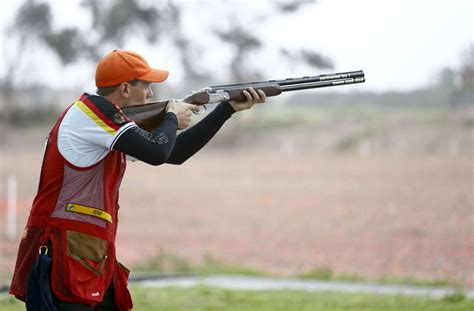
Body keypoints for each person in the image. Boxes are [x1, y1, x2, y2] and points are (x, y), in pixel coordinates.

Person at [9, 49, 266, 310]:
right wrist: (171, 116)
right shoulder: (92, 113)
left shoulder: (105, 120)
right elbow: (157, 152)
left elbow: (173, 153)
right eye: (147, 86)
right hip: (61, 258)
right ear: (124, 88)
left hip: (87, 258)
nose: (151, 93)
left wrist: (225, 110)